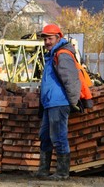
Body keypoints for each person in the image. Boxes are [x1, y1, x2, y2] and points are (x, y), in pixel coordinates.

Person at [34, 24, 81, 180]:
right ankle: (43, 170)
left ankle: (62, 172)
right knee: (45, 136)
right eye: (45, 39)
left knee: (58, 136)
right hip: (49, 103)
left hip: (59, 103)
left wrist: (73, 101)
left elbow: (71, 79)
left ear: (58, 38)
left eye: (50, 38)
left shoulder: (62, 54)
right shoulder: (51, 55)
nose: (47, 41)